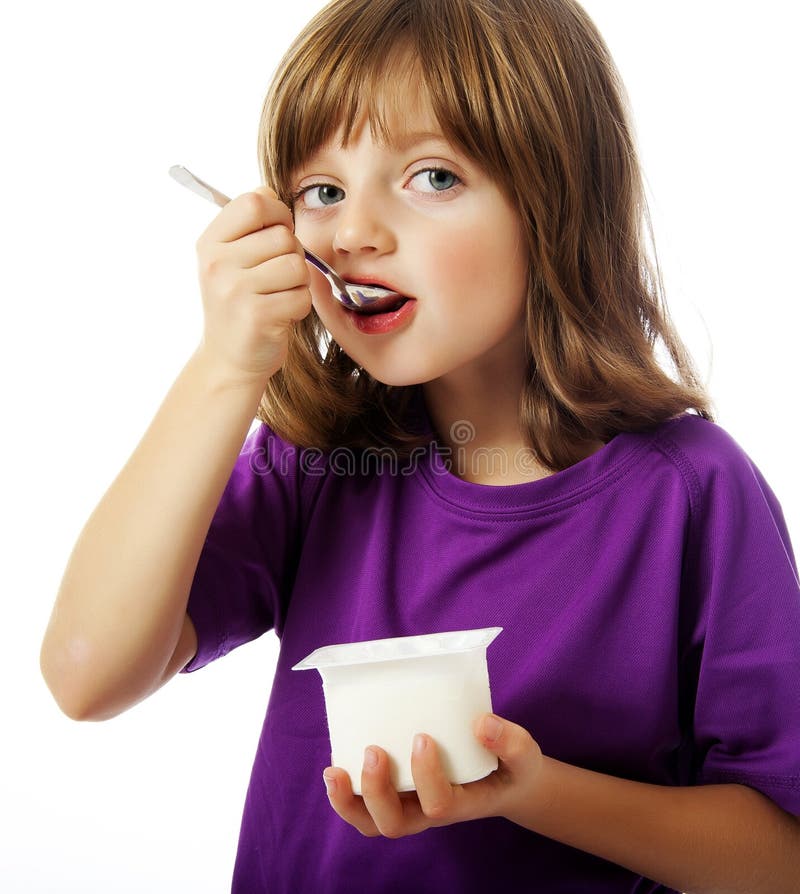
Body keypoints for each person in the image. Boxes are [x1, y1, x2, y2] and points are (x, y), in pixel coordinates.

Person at [41, 0, 800, 891]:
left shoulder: (690, 495)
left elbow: (777, 857)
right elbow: (86, 675)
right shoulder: (317, 464)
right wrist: (224, 365)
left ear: (555, 203)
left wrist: (530, 790)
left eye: (432, 177)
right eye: (321, 192)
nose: (352, 233)